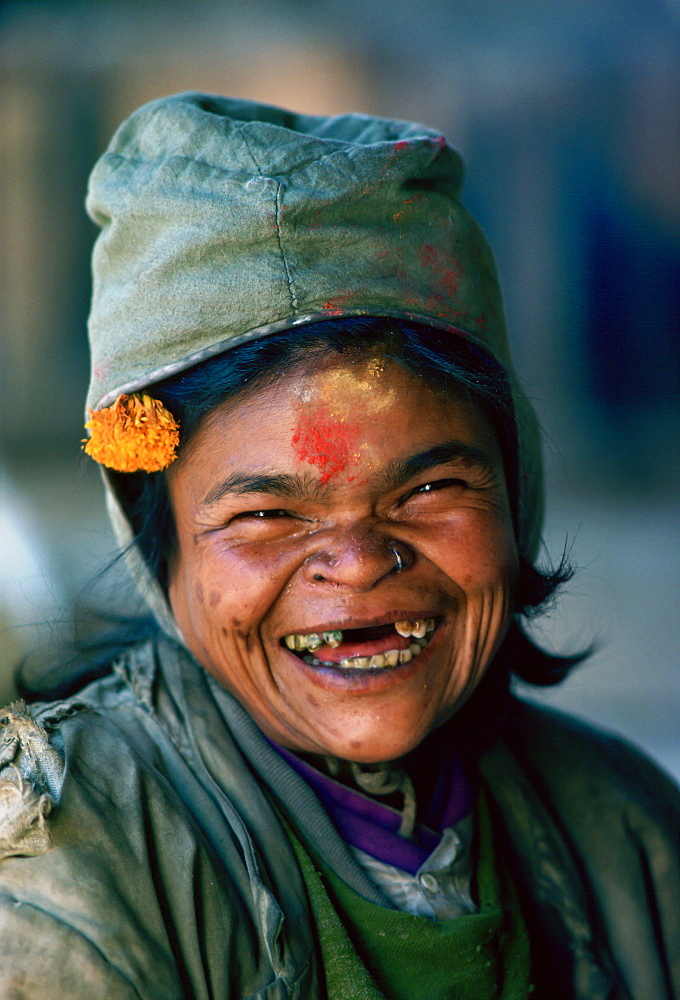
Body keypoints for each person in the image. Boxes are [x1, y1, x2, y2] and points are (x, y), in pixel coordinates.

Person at [0, 92, 678, 1000]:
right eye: (267, 517)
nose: (356, 563)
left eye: (429, 489)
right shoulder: (58, 872)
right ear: (160, 541)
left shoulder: (629, 827)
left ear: (515, 494)